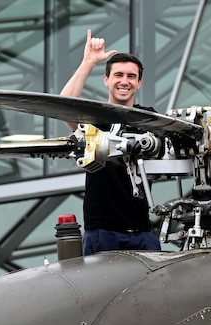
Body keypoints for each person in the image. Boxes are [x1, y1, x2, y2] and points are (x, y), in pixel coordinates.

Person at [61, 29, 160, 254]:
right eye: (118, 75)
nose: (124, 81)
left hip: (142, 229)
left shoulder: (149, 119)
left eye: (131, 76)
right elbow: (64, 108)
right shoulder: (94, 118)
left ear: (139, 83)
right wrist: (89, 62)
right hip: (102, 231)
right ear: (106, 79)